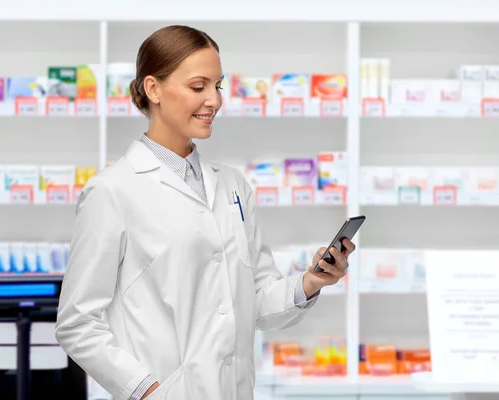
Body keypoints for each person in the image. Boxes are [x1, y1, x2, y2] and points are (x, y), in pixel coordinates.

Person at [55, 25, 355, 400]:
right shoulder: (112, 191)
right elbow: (77, 323)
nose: (213, 100)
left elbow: (256, 300)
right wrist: (146, 390)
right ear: (153, 89)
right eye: (199, 87)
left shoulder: (232, 186)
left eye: (218, 86)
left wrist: (312, 281)